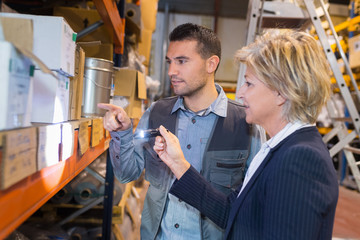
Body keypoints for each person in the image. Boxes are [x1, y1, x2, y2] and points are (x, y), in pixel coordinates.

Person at [153, 29, 339, 240]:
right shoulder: (278, 148)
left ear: (281, 92)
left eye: (249, 83)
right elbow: (233, 212)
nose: (240, 93)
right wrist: (179, 165)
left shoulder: (300, 159)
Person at [98, 23, 263, 240]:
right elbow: (126, 173)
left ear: (211, 64)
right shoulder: (157, 113)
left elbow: (255, 203)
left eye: (182, 61)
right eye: (170, 62)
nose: (171, 72)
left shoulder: (245, 123)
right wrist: (122, 133)